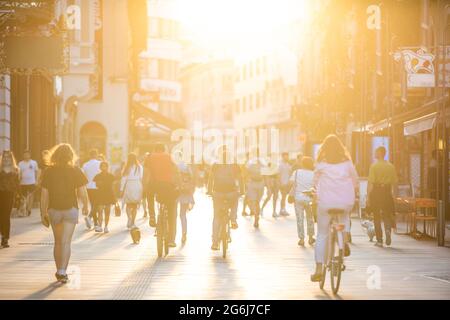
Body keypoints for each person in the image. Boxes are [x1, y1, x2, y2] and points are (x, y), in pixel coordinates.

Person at [310, 134, 358, 282]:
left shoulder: (321, 165)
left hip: (326, 204)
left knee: (322, 234)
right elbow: (355, 181)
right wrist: (355, 194)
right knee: (343, 218)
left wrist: (313, 192)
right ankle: (343, 242)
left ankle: (319, 269)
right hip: (345, 204)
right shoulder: (348, 164)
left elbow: (314, 183)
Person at [40, 144, 89, 284]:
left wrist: (43, 213)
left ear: (55, 155)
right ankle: (63, 271)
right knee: (66, 242)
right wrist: (85, 205)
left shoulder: (49, 171)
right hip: (70, 209)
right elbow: (82, 191)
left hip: (54, 209)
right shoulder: (75, 170)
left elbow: (44, 194)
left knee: (57, 242)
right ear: (70, 156)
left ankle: (58, 270)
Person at [207, 145, 243, 250]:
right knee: (235, 202)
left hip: (217, 193)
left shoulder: (215, 165)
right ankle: (233, 219)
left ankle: (215, 243)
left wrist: (209, 191)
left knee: (216, 217)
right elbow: (241, 179)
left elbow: (210, 179)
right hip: (231, 192)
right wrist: (242, 191)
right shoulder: (235, 165)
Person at [147, 143, 179, 247]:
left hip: (154, 185)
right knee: (172, 212)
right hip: (168, 186)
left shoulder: (150, 157)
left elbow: (146, 172)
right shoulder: (169, 157)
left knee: (150, 196)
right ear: (164, 149)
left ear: (155, 149)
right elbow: (176, 171)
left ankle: (152, 215)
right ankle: (171, 240)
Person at [367, 146, 398, 247]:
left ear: (380, 153)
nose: (374, 154)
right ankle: (388, 230)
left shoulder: (374, 166)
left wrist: (368, 197)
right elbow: (394, 183)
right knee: (387, 214)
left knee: (376, 216)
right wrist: (393, 195)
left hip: (377, 191)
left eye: (376, 152)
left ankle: (379, 240)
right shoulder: (391, 166)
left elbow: (371, 183)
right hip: (387, 191)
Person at [290, 156, 316, 247]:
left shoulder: (296, 172)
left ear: (302, 164)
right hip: (309, 199)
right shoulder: (314, 174)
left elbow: (292, 184)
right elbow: (315, 186)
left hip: (298, 198)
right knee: (310, 218)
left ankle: (301, 239)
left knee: (299, 219)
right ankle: (311, 237)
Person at [0, 150, 19, 248]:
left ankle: (5, 238)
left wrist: (17, 197)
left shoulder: (15, 170)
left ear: (11, 158)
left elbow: (17, 184)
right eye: (5, 157)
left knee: (6, 216)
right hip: (0, 194)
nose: (6, 159)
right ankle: (2, 234)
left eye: (8, 157)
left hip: (9, 196)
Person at [120, 153, 143, 230]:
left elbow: (123, 179)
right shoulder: (139, 167)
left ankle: (129, 219)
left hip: (129, 186)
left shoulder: (126, 167)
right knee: (135, 206)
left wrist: (121, 189)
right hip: (137, 185)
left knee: (128, 204)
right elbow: (141, 177)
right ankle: (133, 222)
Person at [176, 153, 195, 244]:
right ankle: (184, 233)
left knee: (171, 213)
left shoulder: (173, 165)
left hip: (173, 192)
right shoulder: (186, 166)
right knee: (182, 214)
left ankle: (168, 232)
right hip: (185, 192)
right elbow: (192, 179)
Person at [93, 161, 116, 233]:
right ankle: (100, 226)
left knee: (107, 211)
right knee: (100, 211)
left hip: (109, 195)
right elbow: (96, 185)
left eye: (105, 166)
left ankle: (106, 226)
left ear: (107, 167)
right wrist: (99, 184)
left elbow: (113, 186)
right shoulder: (97, 176)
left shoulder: (111, 176)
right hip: (100, 194)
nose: (104, 168)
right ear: (100, 167)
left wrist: (115, 197)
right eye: (102, 166)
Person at [82, 149, 101, 231]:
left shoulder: (85, 165)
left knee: (93, 204)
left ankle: (96, 223)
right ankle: (89, 217)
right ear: (96, 155)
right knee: (97, 204)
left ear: (89, 155)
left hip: (88, 187)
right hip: (97, 187)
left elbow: (83, 177)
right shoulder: (100, 163)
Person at [245, 150, 265, 228]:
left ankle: (256, 218)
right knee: (253, 201)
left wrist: (268, 186)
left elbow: (265, 173)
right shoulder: (249, 163)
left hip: (260, 183)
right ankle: (255, 214)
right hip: (252, 183)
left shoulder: (263, 162)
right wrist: (246, 183)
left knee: (257, 202)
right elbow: (246, 173)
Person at [18, 150, 38, 216]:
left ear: (30, 155)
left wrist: (36, 180)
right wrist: (18, 181)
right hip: (23, 183)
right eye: (25, 154)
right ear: (23, 155)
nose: (26, 156)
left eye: (27, 154)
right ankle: (24, 209)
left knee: (31, 196)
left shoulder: (34, 162)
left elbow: (36, 172)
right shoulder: (20, 163)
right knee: (23, 197)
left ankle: (29, 209)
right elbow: (19, 173)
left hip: (32, 182)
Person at [261, 154, 280, 218]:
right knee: (268, 197)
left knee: (275, 198)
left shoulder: (276, 166)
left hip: (276, 183)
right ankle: (262, 209)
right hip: (271, 183)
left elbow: (278, 176)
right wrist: (268, 187)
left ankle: (274, 212)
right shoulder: (267, 166)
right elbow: (266, 178)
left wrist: (278, 184)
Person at [143, 151, 157, 227]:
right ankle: (165, 213)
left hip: (150, 185)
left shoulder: (147, 162)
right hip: (161, 184)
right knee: (162, 200)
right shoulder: (160, 161)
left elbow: (145, 175)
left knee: (150, 200)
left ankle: (152, 216)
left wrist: (144, 186)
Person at [278, 152, 292, 217]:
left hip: (287, 183)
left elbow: (290, 173)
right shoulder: (280, 165)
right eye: (285, 156)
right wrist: (280, 183)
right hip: (283, 183)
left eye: (287, 156)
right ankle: (282, 210)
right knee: (283, 197)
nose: (287, 157)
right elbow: (278, 174)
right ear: (282, 157)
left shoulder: (287, 164)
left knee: (284, 197)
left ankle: (283, 209)